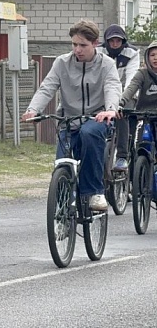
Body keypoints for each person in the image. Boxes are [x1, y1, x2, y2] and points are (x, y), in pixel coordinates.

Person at [21, 20, 121, 212]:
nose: (77, 50)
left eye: (83, 45)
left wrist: (110, 109)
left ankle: (95, 192)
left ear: (95, 43)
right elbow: (47, 87)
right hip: (69, 119)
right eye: (74, 44)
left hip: (98, 118)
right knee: (62, 164)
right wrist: (33, 110)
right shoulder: (62, 63)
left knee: (89, 134)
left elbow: (112, 87)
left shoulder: (107, 64)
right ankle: (63, 211)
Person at [97, 24, 140, 171]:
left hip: (126, 93)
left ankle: (122, 156)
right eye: (111, 41)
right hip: (104, 92)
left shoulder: (132, 53)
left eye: (118, 41)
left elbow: (132, 79)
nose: (115, 44)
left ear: (124, 41)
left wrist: (121, 102)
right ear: (106, 41)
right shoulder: (98, 52)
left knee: (122, 115)